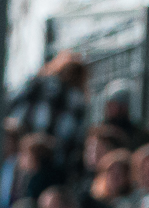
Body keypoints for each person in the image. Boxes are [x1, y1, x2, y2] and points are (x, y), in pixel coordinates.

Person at [6, 50, 90, 179]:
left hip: (33, 146)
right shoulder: (77, 97)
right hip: (50, 152)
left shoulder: (39, 83)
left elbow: (13, 104)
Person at [100, 79, 149, 149]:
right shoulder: (98, 135)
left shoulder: (142, 137)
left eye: (121, 105)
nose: (116, 109)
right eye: (112, 104)